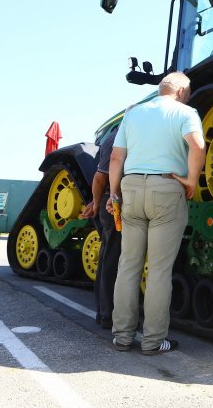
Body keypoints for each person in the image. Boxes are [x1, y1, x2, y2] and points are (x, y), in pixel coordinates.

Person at [108, 72, 205, 355]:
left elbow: (116, 157)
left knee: (128, 266)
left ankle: (122, 337)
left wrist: (114, 194)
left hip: (131, 188)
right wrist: (192, 180)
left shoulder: (134, 113)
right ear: (181, 90)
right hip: (167, 187)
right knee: (159, 271)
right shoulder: (186, 112)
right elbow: (197, 145)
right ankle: (152, 342)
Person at [79, 125, 121, 329]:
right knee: (111, 258)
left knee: (108, 257)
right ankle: (107, 313)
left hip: (109, 200)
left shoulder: (112, 136)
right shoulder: (115, 138)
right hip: (113, 203)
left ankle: (105, 311)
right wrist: (96, 203)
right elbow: (100, 177)